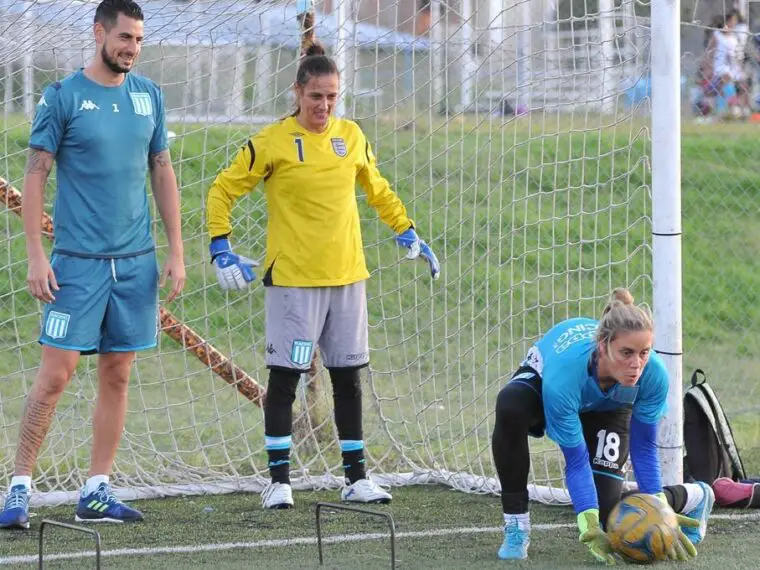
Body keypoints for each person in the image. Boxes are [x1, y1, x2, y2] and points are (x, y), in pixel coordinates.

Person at [206, 42, 440, 509]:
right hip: (293, 282)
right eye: (316, 96)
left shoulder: (351, 136)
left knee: (349, 377)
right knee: (285, 378)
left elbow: (379, 190)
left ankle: (355, 478)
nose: (325, 105)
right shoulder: (272, 141)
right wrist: (220, 246)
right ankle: (278, 482)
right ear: (297, 92)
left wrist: (407, 231)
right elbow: (222, 189)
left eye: (333, 96)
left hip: (348, 278)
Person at [0, 0, 185, 529]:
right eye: (124, 37)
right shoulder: (62, 97)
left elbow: (163, 171)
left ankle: (97, 490)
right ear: (100, 32)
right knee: (55, 376)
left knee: (118, 374)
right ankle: (18, 489)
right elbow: (35, 176)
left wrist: (175, 250)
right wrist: (36, 254)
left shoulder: (149, 97)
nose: (132, 48)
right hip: (75, 265)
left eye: (139, 40)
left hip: (134, 264)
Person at [491, 289, 715, 562]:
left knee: (613, 516)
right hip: (551, 382)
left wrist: (658, 511)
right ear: (603, 346)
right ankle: (517, 526)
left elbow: (643, 450)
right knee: (511, 406)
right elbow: (576, 461)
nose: (636, 364)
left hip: (610, 407)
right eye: (626, 353)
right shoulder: (564, 378)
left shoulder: (653, 374)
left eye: (644, 352)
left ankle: (696, 494)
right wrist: (589, 524)